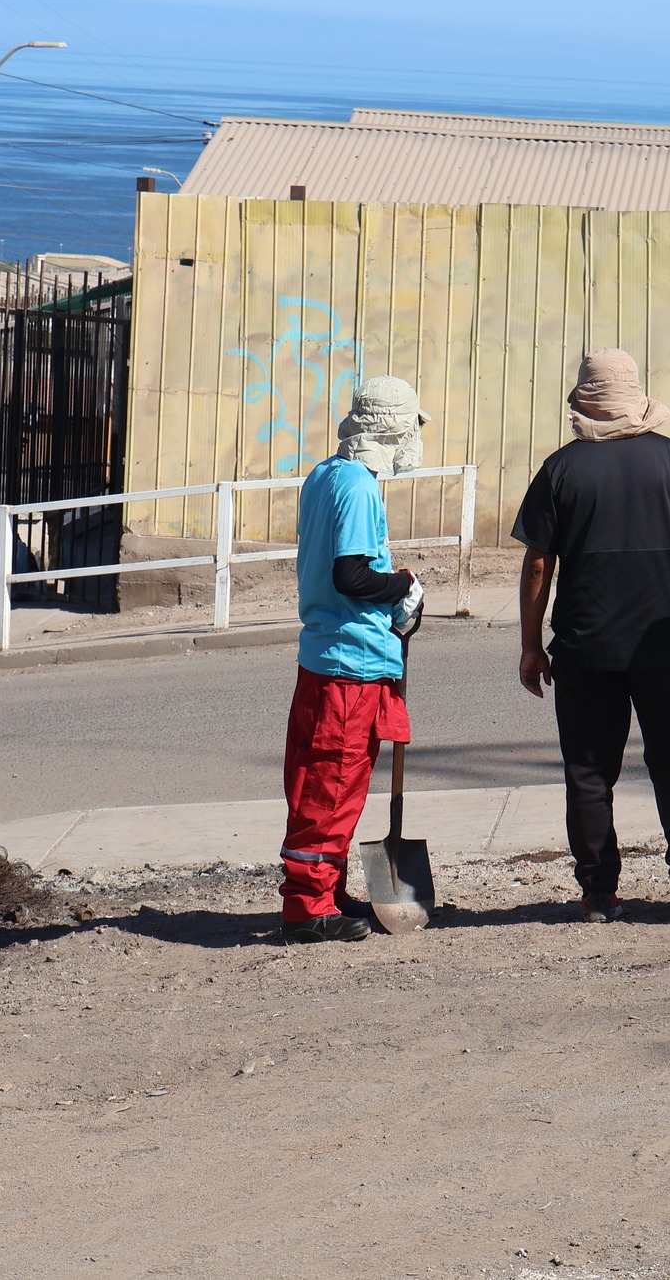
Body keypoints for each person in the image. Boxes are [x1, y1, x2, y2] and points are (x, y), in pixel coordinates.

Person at [514, 347, 670, 923]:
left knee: (589, 769)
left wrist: (533, 646)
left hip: (586, 648)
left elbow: (538, 566)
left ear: (584, 403)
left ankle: (598, 891)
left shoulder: (560, 470)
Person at [277, 376, 429, 944]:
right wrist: (402, 586)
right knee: (332, 785)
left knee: (324, 781)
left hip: (326, 654)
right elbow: (353, 575)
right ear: (395, 430)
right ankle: (308, 905)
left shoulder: (324, 475)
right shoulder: (361, 487)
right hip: (349, 662)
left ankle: (326, 887)